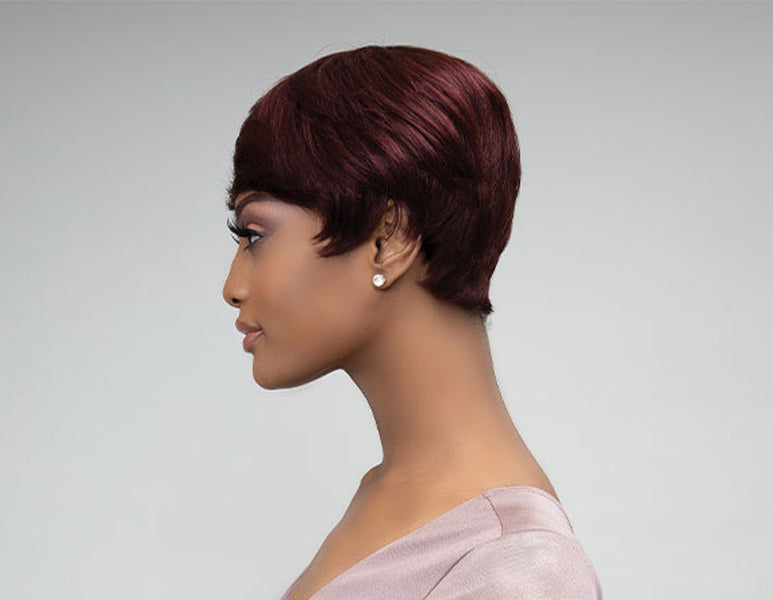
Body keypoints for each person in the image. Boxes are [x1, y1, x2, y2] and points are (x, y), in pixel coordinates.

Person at [222, 44, 602, 600]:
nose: (232, 287)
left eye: (254, 236)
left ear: (389, 239)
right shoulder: (387, 496)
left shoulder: (516, 574)